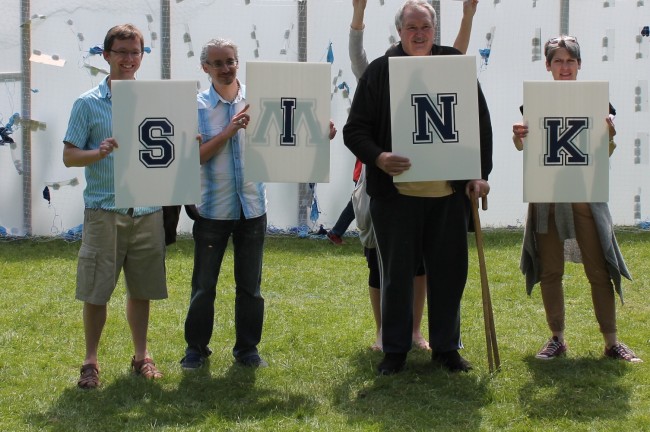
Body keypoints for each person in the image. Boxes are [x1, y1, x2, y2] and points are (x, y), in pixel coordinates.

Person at [343, 0, 493, 375]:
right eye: (412, 27)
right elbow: (354, 130)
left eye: (425, 26)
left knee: (449, 275)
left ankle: (446, 349)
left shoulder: (453, 67)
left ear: (434, 29)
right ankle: (394, 351)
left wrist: (479, 173)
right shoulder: (380, 72)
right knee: (395, 276)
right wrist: (378, 157)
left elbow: (479, 124)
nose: (420, 33)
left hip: (447, 197)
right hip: (397, 199)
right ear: (400, 32)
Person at [512, 36, 641, 362]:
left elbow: (605, 151)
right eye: (558, 61)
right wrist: (518, 136)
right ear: (548, 65)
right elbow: (525, 150)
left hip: (587, 196)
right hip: (549, 197)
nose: (565, 67)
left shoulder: (596, 101)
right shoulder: (536, 102)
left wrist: (610, 133)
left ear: (579, 64)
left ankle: (612, 342)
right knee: (550, 269)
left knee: (599, 269)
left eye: (570, 61)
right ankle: (557, 337)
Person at [63, 24, 167, 389]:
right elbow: (69, 156)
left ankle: (142, 356)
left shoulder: (155, 100)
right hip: (105, 211)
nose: (128, 59)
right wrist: (98, 152)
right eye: (121, 52)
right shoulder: (87, 103)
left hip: (146, 210)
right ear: (105, 55)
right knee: (96, 290)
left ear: (142, 57)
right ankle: (90, 361)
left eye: (135, 52)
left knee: (141, 290)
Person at [328, 0, 479, 247]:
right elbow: (357, 56)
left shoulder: (438, 75)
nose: (417, 37)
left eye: (425, 28)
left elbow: (457, 58)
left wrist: (467, 17)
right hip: (388, 189)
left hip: (434, 190)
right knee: (382, 270)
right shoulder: (377, 76)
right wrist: (359, 12)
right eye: (410, 30)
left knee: (423, 271)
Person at [180, 38, 268, 369]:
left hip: (252, 207)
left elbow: (288, 137)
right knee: (204, 286)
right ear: (205, 68)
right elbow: (192, 159)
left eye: (230, 61)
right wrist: (228, 132)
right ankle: (195, 349)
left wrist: (320, 133)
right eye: (218, 63)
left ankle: (247, 349)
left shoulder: (258, 101)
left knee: (251, 287)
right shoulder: (195, 107)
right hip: (212, 210)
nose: (226, 68)